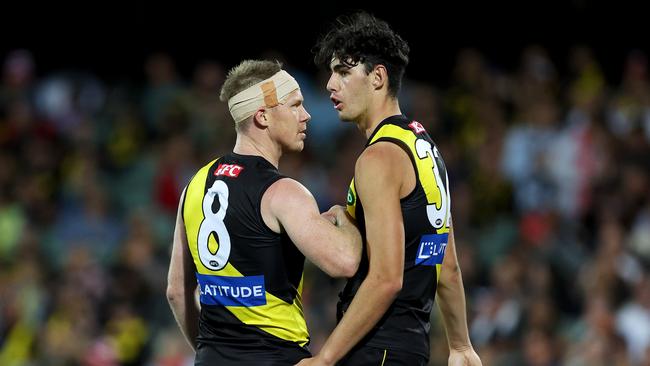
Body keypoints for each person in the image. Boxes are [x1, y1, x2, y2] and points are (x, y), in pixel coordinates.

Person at [297, 12, 482, 366]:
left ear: (378, 77)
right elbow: (445, 260)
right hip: (410, 348)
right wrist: (460, 345)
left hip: (377, 347)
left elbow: (385, 279)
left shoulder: (378, 159)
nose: (330, 85)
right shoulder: (423, 145)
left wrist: (325, 358)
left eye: (344, 72)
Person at [166, 60, 362, 366]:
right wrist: (345, 217)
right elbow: (345, 261)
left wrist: (209, 353)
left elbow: (177, 292)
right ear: (263, 116)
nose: (306, 115)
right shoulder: (284, 192)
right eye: (296, 105)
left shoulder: (194, 185)